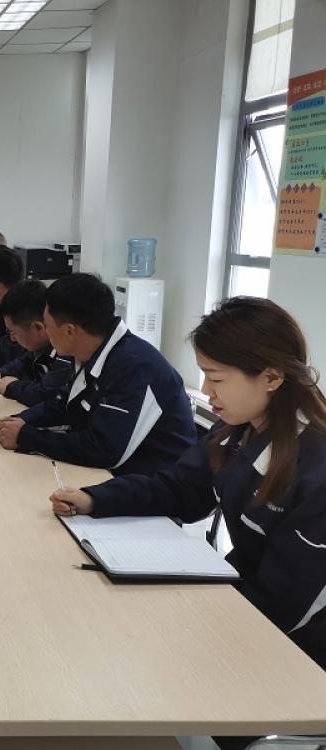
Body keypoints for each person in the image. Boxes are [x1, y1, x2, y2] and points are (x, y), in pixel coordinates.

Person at [49, 297, 326, 750]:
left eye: (216, 378)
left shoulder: (316, 468)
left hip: (298, 648)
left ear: (272, 377)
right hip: (241, 607)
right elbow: (180, 488)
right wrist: (95, 499)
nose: (207, 391)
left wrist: (192, 624)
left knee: (154, 693)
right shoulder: (238, 431)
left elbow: (287, 603)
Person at [0, 273, 195, 476]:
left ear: (70, 331)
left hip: (152, 482)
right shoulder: (90, 350)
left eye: (47, 326)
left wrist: (27, 437)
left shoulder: (134, 366)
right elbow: (65, 403)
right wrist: (20, 421)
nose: (45, 332)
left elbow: (104, 449)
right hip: (115, 475)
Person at [0, 279, 73, 407]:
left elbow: (47, 393)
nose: (12, 338)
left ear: (38, 328)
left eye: (13, 332)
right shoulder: (39, 346)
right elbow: (22, 363)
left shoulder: (65, 351)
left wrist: (12, 387)